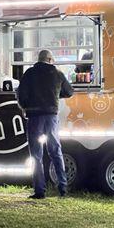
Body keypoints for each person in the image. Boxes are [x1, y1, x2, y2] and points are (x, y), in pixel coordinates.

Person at [16, 49, 74, 199]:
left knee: (36, 155)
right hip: (51, 116)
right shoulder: (57, 73)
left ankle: (39, 190)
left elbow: (20, 94)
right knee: (55, 151)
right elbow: (69, 92)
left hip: (34, 117)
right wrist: (56, 94)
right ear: (49, 59)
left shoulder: (29, 73)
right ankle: (62, 187)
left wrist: (25, 107)